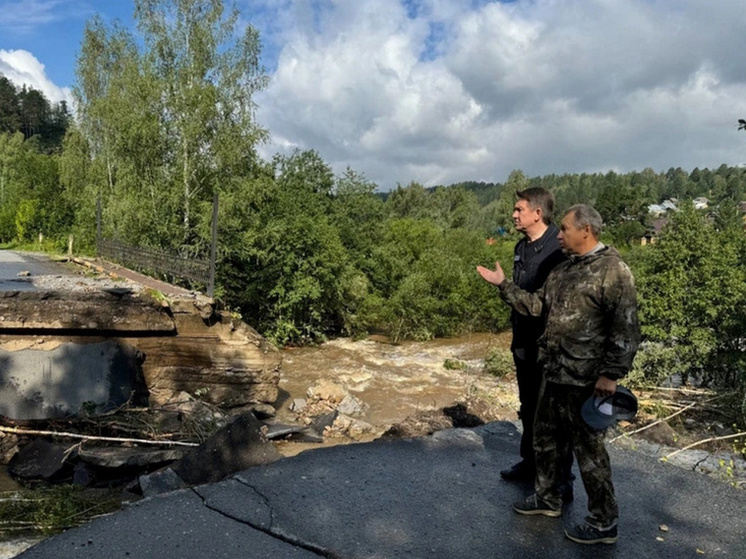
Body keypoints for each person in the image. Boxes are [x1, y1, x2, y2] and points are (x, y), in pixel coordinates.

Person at [476, 204, 640, 545]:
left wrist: (610, 375)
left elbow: (625, 329)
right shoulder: (564, 269)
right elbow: (537, 306)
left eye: (564, 229)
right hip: (554, 372)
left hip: (587, 380)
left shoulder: (614, 271)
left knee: (590, 454)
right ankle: (547, 498)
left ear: (586, 231)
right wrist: (504, 284)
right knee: (545, 439)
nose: (559, 235)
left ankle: (603, 522)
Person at [499, 188, 572, 499]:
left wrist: (503, 286)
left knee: (554, 415)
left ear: (537, 213)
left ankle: (562, 479)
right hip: (523, 342)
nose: (514, 214)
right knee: (528, 408)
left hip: (550, 347)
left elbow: (548, 304)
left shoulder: (558, 248)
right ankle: (530, 464)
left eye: (519, 209)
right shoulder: (521, 246)